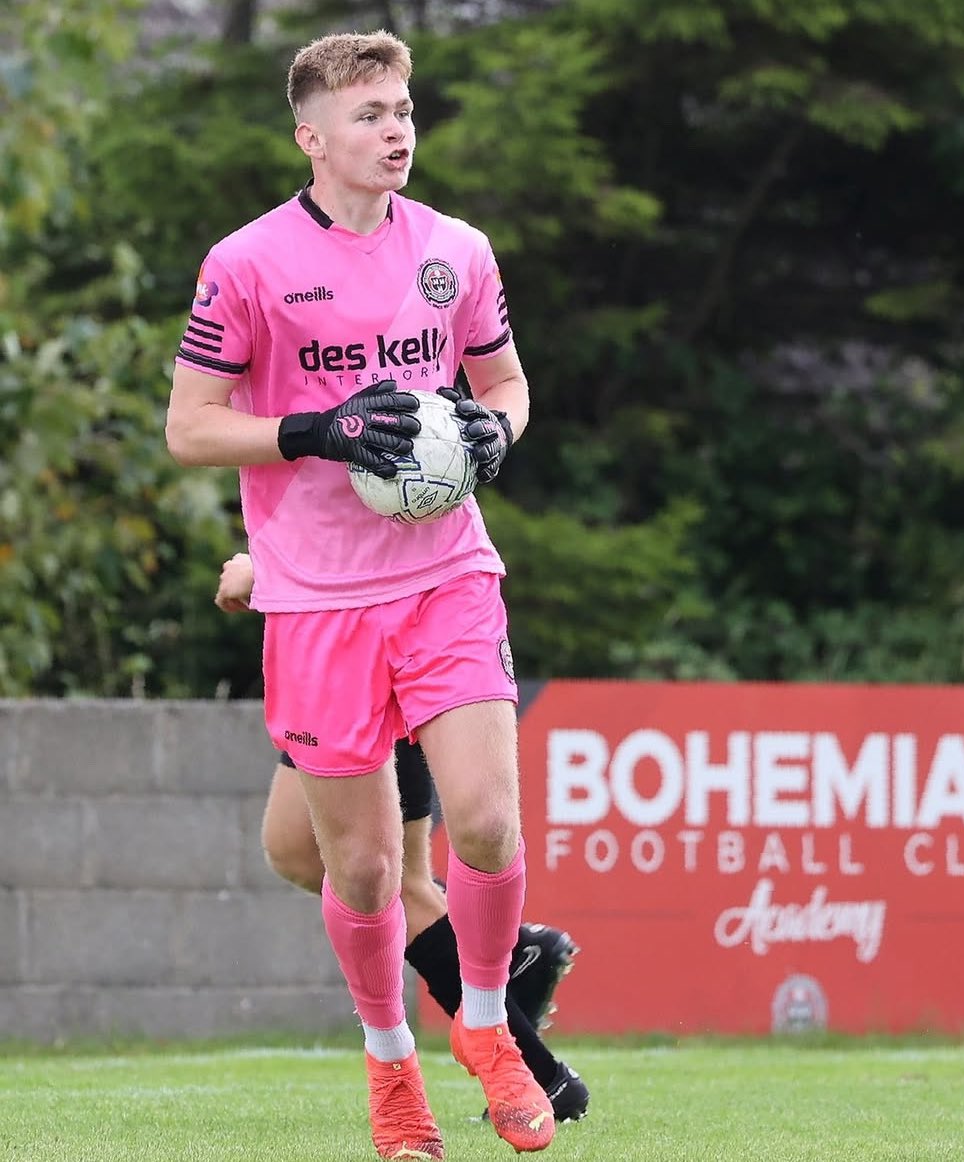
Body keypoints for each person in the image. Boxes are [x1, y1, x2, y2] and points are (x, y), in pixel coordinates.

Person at [166, 29, 554, 1158]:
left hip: (447, 574)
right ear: (313, 136)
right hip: (317, 599)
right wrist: (313, 430)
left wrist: (497, 429)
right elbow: (189, 427)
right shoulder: (244, 263)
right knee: (368, 868)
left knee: (485, 820)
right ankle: (391, 1063)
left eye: (404, 109)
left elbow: (507, 384)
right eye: (372, 113)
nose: (397, 130)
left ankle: (485, 1027)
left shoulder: (457, 251)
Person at [214, 551, 589, 1122]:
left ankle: (543, 1076)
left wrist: (268, 567)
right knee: (294, 847)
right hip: (317, 632)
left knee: (390, 879)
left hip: (385, 619)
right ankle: (512, 963)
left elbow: (360, 495)